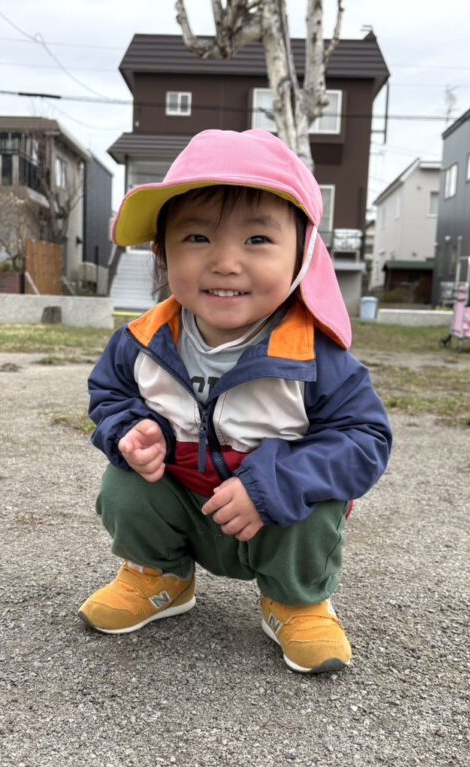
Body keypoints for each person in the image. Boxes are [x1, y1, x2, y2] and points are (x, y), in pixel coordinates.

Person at [79, 129, 392, 674]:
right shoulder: (142, 342)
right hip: (184, 500)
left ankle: (296, 601)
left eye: (258, 239)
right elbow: (109, 394)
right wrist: (128, 429)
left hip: (276, 520)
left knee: (317, 501)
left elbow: (365, 442)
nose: (225, 262)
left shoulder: (317, 357)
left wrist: (274, 486)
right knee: (124, 483)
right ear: (162, 252)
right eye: (197, 237)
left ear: (302, 256)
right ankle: (159, 575)